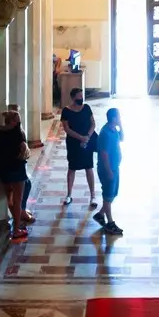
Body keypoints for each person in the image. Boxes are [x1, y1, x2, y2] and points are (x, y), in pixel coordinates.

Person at [0, 108, 34, 240]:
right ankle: (17, 229)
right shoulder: (18, 132)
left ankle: (15, 223)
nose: (19, 123)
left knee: (10, 199)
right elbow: (24, 150)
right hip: (17, 169)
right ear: (13, 122)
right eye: (17, 121)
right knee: (17, 200)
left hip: (3, 170)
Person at [60, 87, 97, 206]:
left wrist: (87, 136)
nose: (81, 98)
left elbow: (93, 123)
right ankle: (69, 195)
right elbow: (66, 128)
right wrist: (80, 138)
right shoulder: (66, 111)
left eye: (82, 96)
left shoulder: (86, 108)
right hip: (73, 142)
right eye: (79, 96)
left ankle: (93, 196)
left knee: (88, 167)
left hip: (87, 141)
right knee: (72, 168)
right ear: (73, 98)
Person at [92, 107, 125, 235]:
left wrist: (121, 126)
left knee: (113, 194)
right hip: (108, 169)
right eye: (119, 117)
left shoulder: (114, 130)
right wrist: (108, 171)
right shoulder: (105, 133)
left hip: (115, 167)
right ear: (113, 118)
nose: (120, 118)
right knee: (108, 195)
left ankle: (100, 214)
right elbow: (104, 154)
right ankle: (110, 223)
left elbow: (122, 138)